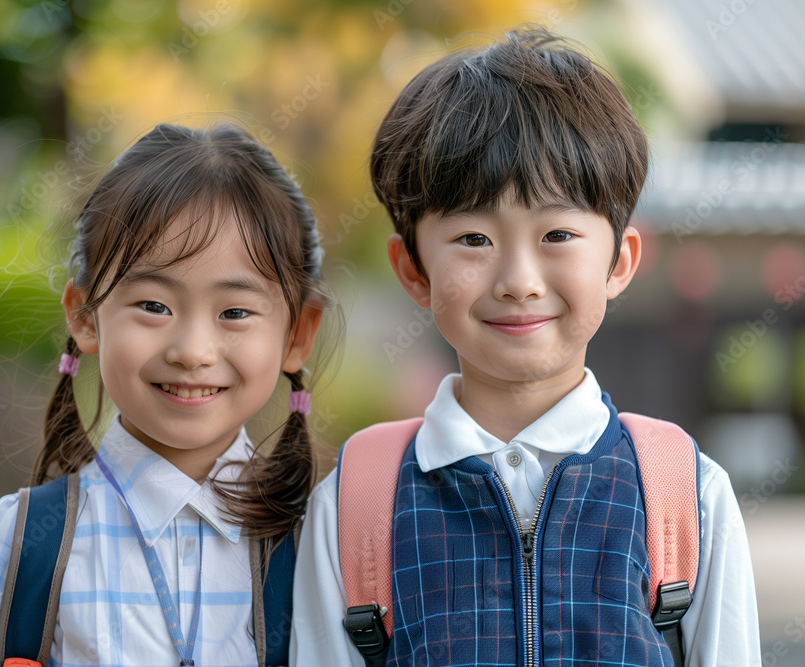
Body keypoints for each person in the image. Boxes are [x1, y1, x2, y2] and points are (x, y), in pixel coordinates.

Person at [290, 28, 760, 667]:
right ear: (413, 270)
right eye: (474, 239)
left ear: (619, 261)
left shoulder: (686, 495)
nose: (517, 281)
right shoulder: (355, 505)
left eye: (558, 233)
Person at [0, 122, 331, 667]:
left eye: (235, 312)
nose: (193, 351)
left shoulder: (324, 542)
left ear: (297, 335)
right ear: (85, 316)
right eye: (154, 306)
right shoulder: (27, 546)